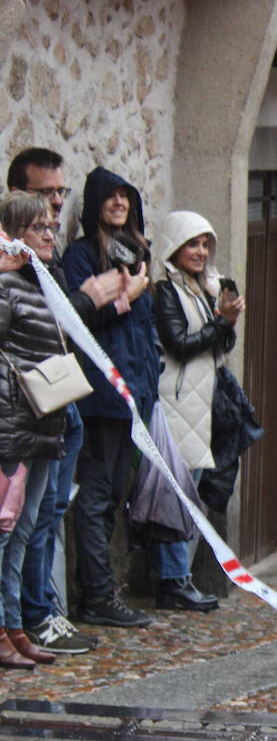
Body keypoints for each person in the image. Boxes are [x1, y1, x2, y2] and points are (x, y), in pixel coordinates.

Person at [8, 150, 124, 653]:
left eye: (60, 195)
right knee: (16, 526)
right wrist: (92, 297)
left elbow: (58, 326)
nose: (55, 211)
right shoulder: (12, 274)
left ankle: (23, 619)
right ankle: (27, 616)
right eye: (43, 198)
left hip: (54, 409)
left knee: (42, 519)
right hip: (21, 415)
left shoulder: (44, 265)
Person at [64, 167, 158, 629]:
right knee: (96, 496)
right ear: (96, 202)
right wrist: (125, 296)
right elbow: (77, 322)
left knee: (113, 497)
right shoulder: (82, 256)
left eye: (126, 196)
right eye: (111, 196)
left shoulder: (138, 253)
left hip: (131, 397)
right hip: (101, 396)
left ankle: (100, 591)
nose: (119, 202)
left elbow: (145, 331)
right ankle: (97, 596)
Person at [151, 212, 244, 611]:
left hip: (202, 402)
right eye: (193, 244)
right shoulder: (165, 291)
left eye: (205, 244)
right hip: (178, 401)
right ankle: (173, 580)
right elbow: (179, 344)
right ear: (175, 246)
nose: (201, 252)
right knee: (180, 493)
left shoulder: (202, 288)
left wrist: (227, 321)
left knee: (197, 489)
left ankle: (181, 576)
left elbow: (219, 346)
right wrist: (220, 322)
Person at [0, 193, 77, 667]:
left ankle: (14, 626)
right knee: (4, 531)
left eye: (50, 227)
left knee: (26, 529)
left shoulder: (49, 283)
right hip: (13, 425)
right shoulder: (6, 287)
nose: (48, 235)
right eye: (36, 229)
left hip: (46, 422)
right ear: (13, 236)